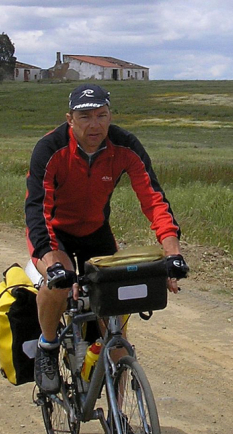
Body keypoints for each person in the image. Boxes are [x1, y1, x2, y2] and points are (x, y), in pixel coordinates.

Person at [25, 84, 189, 392]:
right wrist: (50, 261)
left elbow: (154, 200)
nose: (95, 125)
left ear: (111, 116)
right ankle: (47, 347)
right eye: (85, 116)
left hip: (96, 232)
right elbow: (36, 210)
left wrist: (173, 254)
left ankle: (119, 416)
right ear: (70, 119)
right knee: (57, 285)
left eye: (101, 115)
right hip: (55, 234)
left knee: (116, 327)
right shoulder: (50, 149)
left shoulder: (125, 145)